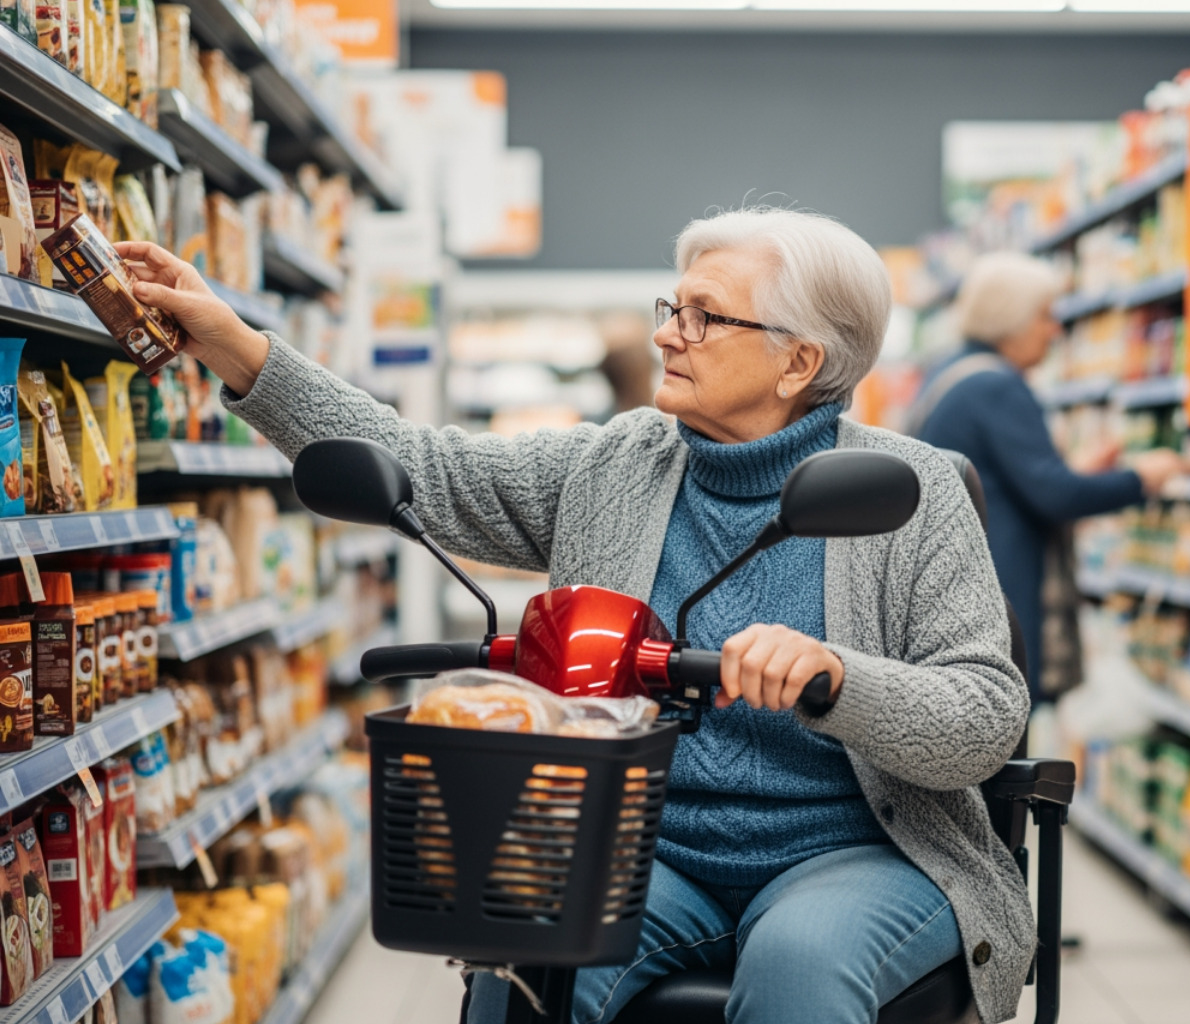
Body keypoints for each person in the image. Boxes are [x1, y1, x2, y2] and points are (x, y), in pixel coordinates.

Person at [116, 207, 1032, 1024]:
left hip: (854, 851)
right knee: (525, 947)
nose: (672, 335)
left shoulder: (911, 493)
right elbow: (421, 469)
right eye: (672, 308)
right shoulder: (617, 467)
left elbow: (986, 716)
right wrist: (233, 343)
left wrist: (837, 676)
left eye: (706, 316)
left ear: (801, 361)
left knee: (799, 965)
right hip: (641, 842)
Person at [913, 252, 1183, 701]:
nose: (1054, 330)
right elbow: (1054, 496)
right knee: (1005, 722)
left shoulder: (949, 372)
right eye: (1044, 315)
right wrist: (1142, 478)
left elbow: (1011, 480)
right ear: (1010, 319)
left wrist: (1072, 471)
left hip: (955, 583)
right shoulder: (995, 384)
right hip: (998, 589)